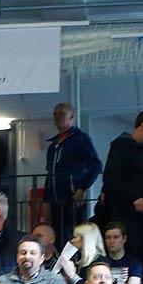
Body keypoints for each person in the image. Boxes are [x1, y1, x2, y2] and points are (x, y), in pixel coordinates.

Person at [102, 109, 143, 263]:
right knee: (135, 256)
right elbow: (111, 178)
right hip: (128, 217)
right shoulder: (121, 146)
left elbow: (141, 175)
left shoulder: (141, 151)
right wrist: (135, 196)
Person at [44, 102, 101, 241]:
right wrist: (46, 200)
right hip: (55, 201)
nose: (57, 117)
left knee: (75, 237)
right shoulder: (53, 145)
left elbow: (96, 165)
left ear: (71, 117)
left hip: (73, 198)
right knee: (57, 237)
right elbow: (49, 174)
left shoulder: (80, 139)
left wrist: (81, 188)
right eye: (55, 114)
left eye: (61, 113)